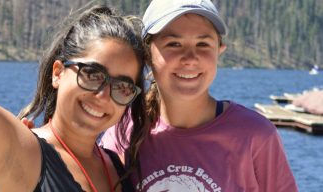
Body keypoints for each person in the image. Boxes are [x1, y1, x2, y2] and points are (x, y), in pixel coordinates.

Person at [101, 0, 299, 191]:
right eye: (174, 44)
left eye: (203, 44)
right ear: (147, 54)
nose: (190, 58)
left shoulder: (256, 135)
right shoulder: (124, 129)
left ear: (219, 51)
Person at [0, 5, 147, 192]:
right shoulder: (23, 154)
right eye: (92, 74)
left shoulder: (119, 167)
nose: (103, 96)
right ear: (58, 73)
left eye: (122, 87)